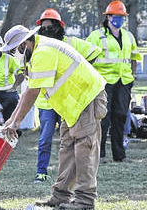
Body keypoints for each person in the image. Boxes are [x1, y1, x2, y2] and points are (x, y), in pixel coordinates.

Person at [1, 25, 107, 210]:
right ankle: (60, 195)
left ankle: (85, 199)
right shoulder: (36, 53)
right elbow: (27, 91)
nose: (14, 54)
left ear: (25, 43)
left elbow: (33, 92)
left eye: (15, 49)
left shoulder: (43, 52)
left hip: (85, 98)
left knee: (84, 148)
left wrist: (16, 122)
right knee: (67, 148)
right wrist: (11, 120)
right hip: (72, 104)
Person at [33, 9, 103, 183]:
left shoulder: (71, 43)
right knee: (45, 139)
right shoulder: (39, 48)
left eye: (50, 27)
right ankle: (41, 172)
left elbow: (95, 52)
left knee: (70, 141)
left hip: (67, 101)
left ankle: (66, 178)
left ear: (59, 27)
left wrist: (78, 73)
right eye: (44, 28)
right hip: (48, 102)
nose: (47, 31)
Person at [87, 1, 141, 163]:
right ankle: (100, 154)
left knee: (121, 116)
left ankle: (120, 155)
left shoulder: (128, 36)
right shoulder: (96, 36)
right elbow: (86, 59)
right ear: (108, 17)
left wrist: (132, 75)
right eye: (116, 16)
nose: (119, 19)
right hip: (104, 83)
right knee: (103, 118)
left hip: (123, 82)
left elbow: (134, 58)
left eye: (122, 17)